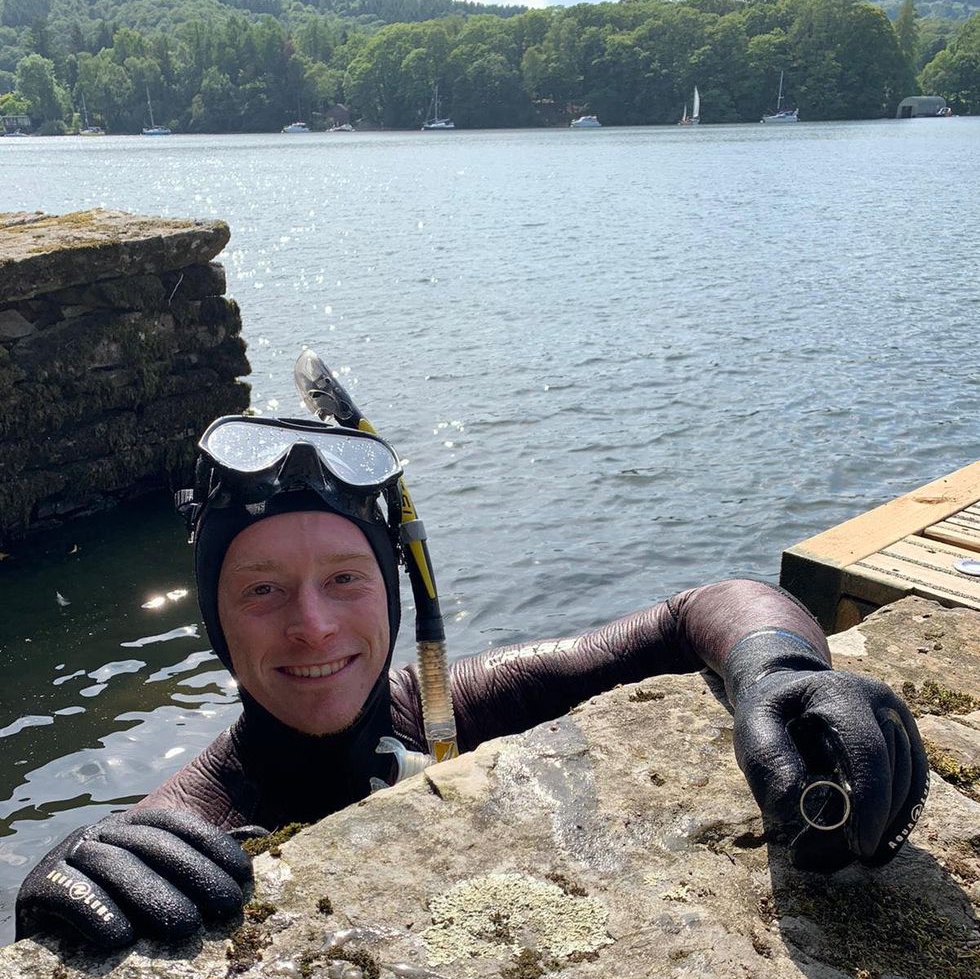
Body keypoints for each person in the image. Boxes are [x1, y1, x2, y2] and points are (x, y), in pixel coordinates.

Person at [15, 406, 929, 949]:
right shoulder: (186, 822)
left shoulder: (449, 710)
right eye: (262, 590)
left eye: (346, 579)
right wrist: (52, 899)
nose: (313, 624)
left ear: (392, 594)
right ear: (214, 622)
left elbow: (705, 605)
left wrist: (776, 669)